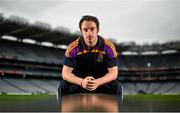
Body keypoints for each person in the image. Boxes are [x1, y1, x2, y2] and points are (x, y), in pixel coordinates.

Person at [58, 15, 123, 103]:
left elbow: (114, 73)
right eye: (85, 30)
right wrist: (82, 82)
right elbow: (65, 73)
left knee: (117, 86)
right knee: (63, 85)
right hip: (80, 83)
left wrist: (98, 82)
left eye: (92, 29)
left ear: (98, 30)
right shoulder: (73, 48)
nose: (89, 33)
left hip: (101, 82)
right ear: (81, 31)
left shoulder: (108, 47)